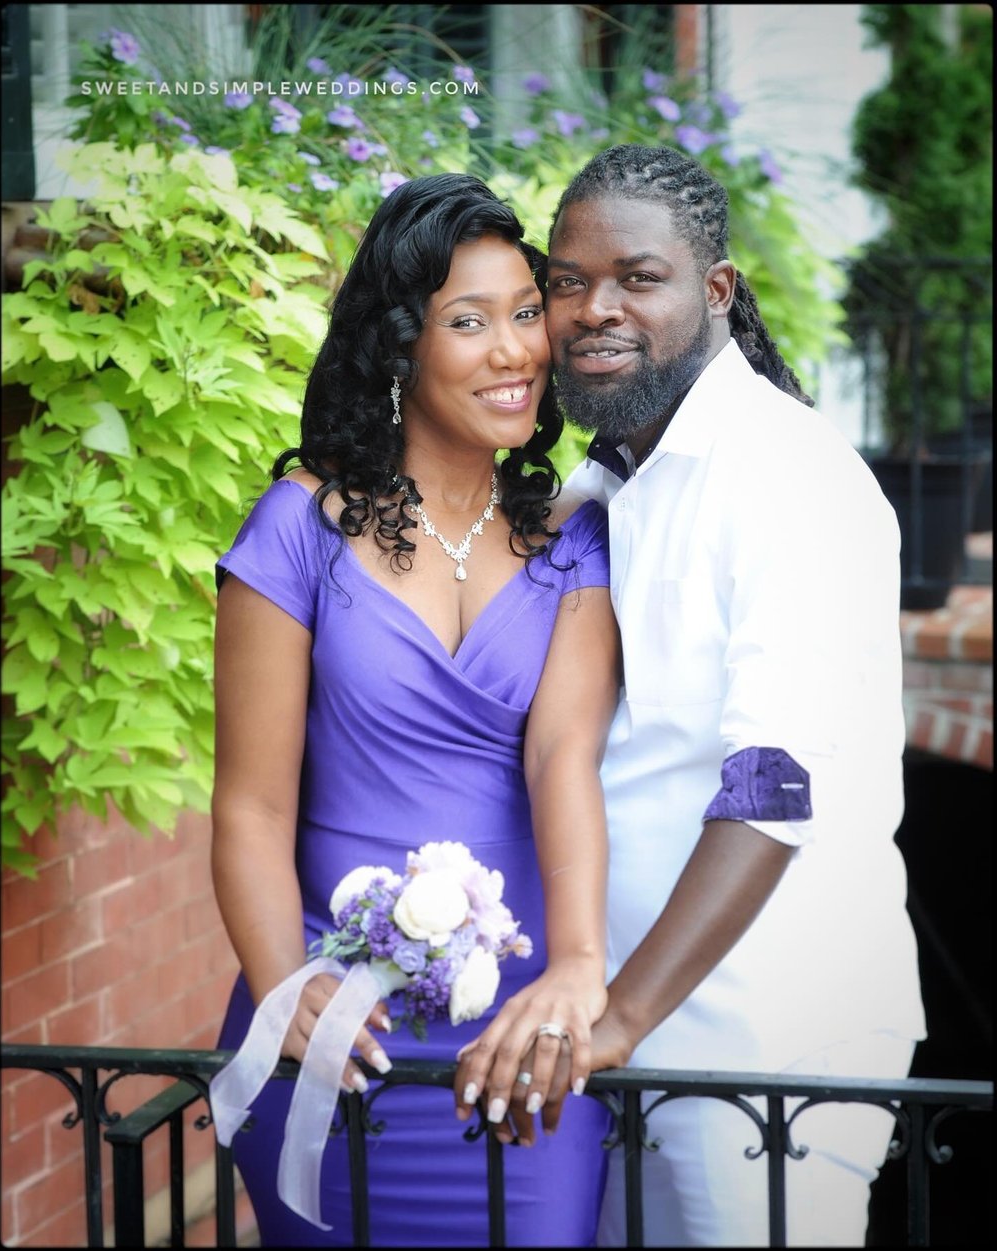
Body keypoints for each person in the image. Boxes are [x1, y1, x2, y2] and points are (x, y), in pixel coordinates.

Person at [454, 143, 926, 1247]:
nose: (591, 309)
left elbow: (772, 789)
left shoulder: (784, 475)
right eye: (566, 283)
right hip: (621, 1031)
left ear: (715, 291)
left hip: (762, 1043)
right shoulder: (605, 479)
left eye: (637, 278)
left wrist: (614, 1019)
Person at [210, 171, 620, 1247]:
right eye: (468, 321)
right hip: (333, 1018)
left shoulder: (571, 543)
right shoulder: (298, 528)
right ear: (400, 347)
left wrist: (578, 967)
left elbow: (561, 760)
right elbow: (250, 804)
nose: (515, 350)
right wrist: (277, 984)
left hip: (519, 1041)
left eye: (526, 313)